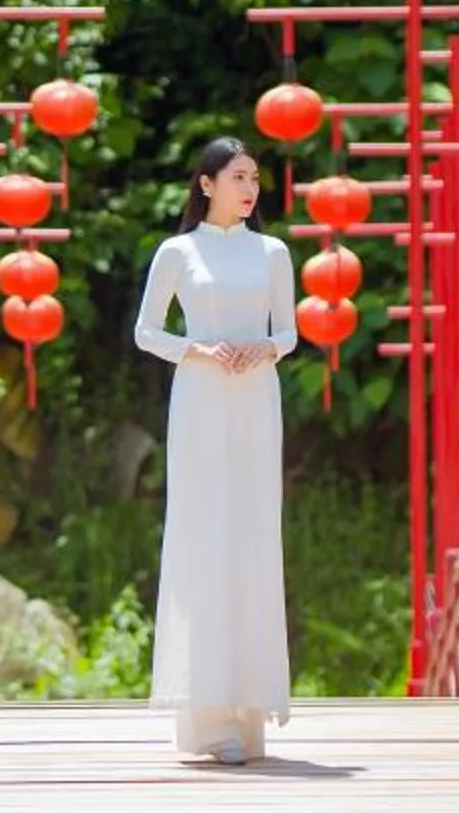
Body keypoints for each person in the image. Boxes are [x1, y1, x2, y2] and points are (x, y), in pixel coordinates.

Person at [132, 137, 297, 765]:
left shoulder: (272, 251)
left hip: (255, 397)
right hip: (200, 398)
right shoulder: (178, 251)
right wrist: (196, 350)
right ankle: (207, 718)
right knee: (204, 536)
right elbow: (147, 331)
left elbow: (288, 330)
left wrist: (267, 349)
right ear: (206, 184)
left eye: (254, 178)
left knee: (252, 535)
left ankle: (247, 709)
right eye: (237, 177)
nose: (250, 189)